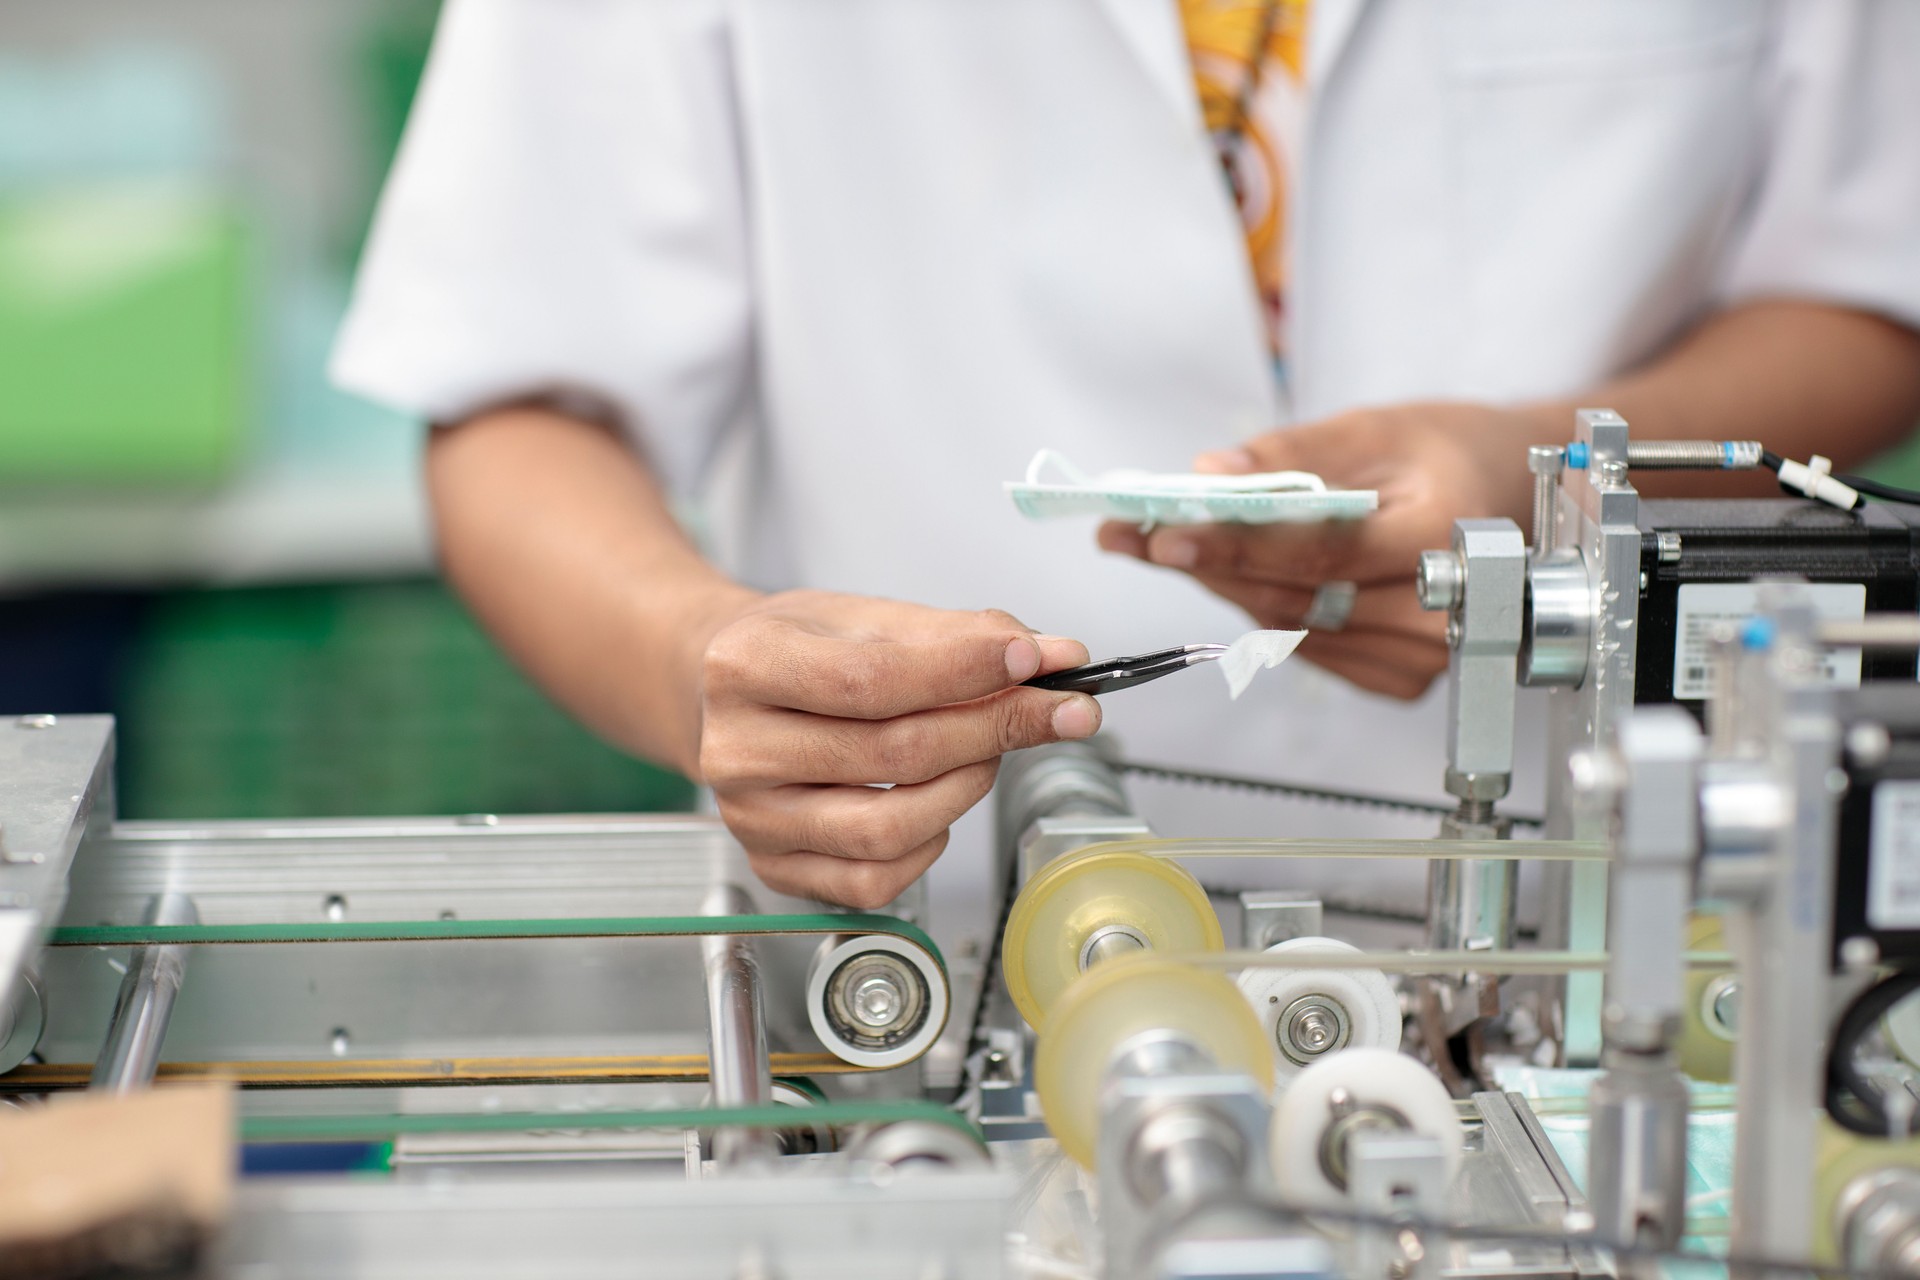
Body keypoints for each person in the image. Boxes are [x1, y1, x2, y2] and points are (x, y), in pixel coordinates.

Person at [334, 0, 1920, 923]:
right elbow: (518, 390)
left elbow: (1870, 278)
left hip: (1588, 937)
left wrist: (1542, 475)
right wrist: (707, 663)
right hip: (924, 953)